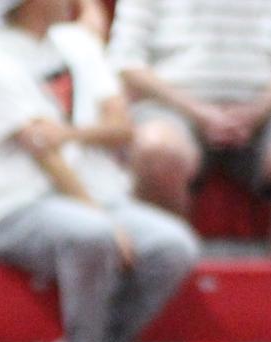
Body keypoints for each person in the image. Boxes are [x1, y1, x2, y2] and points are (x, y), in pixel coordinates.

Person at [0, 0, 202, 342]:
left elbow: (123, 127)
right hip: (20, 206)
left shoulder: (76, 43)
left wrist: (67, 133)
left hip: (102, 196)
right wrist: (100, 215)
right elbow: (44, 155)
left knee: (173, 246)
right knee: (93, 235)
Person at [108, 0, 271, 234]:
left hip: (264, 110)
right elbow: (125, 63)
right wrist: (197, 111)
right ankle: (169, 259)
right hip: (171, 107)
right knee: (158, 149)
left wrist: (257, 110)